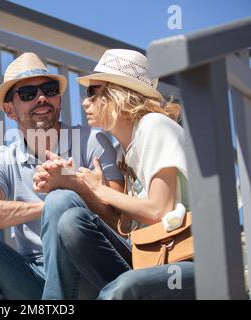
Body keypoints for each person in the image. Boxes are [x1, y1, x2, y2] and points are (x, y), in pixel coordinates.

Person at [0, 52, 124, 299]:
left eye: (49, 89)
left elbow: (121, 220)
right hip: (33, 274)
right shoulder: (6, 158)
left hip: (88, 269)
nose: (42, 98)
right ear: (10, 110)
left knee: (61, 201)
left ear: (59, 100)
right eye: (28, 94)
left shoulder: (92, 142)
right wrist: (46, 210)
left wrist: (71, 192)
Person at [33, 49, 195, 299]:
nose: (84, 102)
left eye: (92, 92)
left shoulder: (155, 126)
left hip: (187, 262)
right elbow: (125, 229)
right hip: (147, 257)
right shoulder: (121, 151)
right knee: (71, 221)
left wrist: (100, 190)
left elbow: (158, 211)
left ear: (118, 94)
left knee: (122, 289)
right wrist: (75, 184)